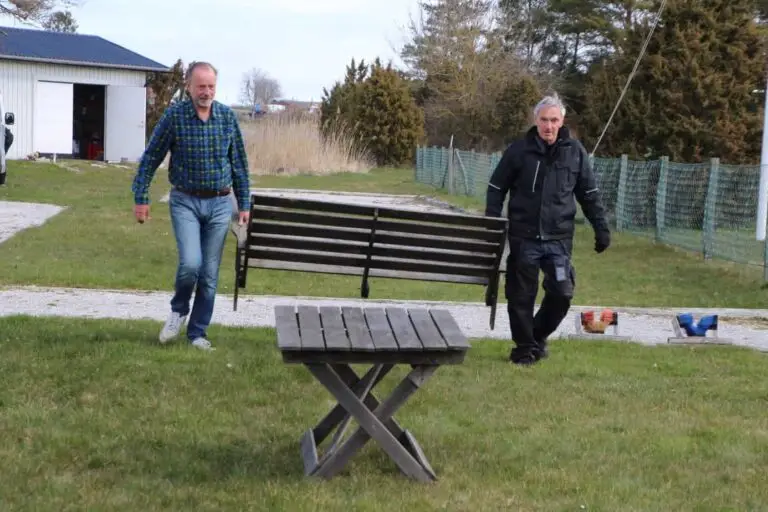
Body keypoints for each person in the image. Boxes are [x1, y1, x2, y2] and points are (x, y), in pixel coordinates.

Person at [131, 61, 251, 351]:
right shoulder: (175, 116)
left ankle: (197, 333)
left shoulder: (226, 117)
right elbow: (151, 157)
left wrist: (244, 202)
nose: (206, 92)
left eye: (211, 86)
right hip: (185, 200)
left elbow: (239, 163)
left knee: (209, 274)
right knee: (190, 264)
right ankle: (178, 311)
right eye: (201, 87)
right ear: (189, 87)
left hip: (220, 203)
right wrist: (141, 196)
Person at [485, 93, 610, 366]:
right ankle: (523, 349)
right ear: (536, 120)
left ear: (562, 121)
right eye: (544, 120)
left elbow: (589, 194)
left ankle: (536, 337)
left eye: (554, 120)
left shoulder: (575, 152)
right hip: (524, 237)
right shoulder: (518, 151)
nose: (549, 126)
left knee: (562, 292)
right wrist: (492, 224)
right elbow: (496, 188)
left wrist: (601, 229)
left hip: (558, 240)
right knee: (521, 296)